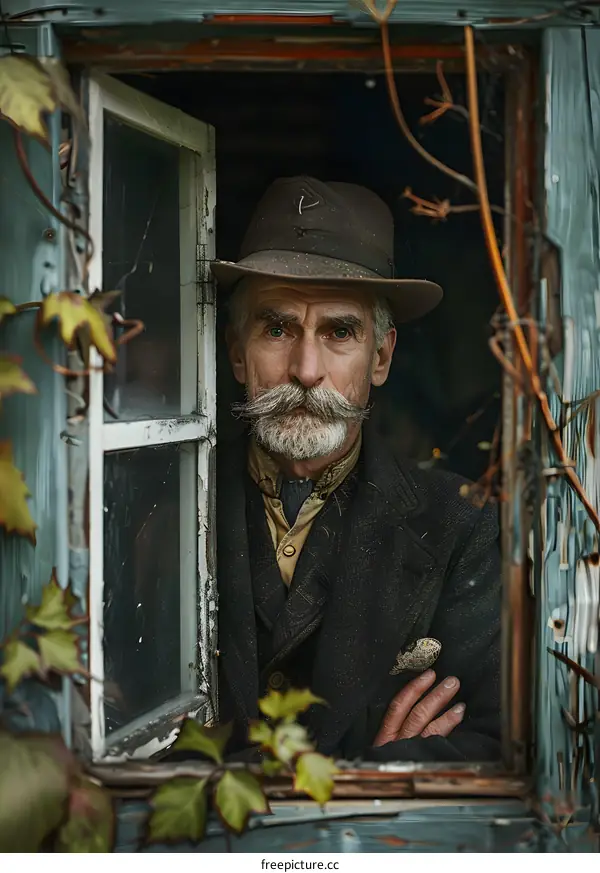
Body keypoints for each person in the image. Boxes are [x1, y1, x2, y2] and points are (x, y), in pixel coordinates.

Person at [211, 176, 501, 762]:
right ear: (237, 352)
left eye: (339, 331)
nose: (306, 370)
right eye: (276, 328)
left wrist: (375, 779)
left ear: (382, 357)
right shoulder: (164, 505)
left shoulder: (460, 525)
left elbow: (497, 738)